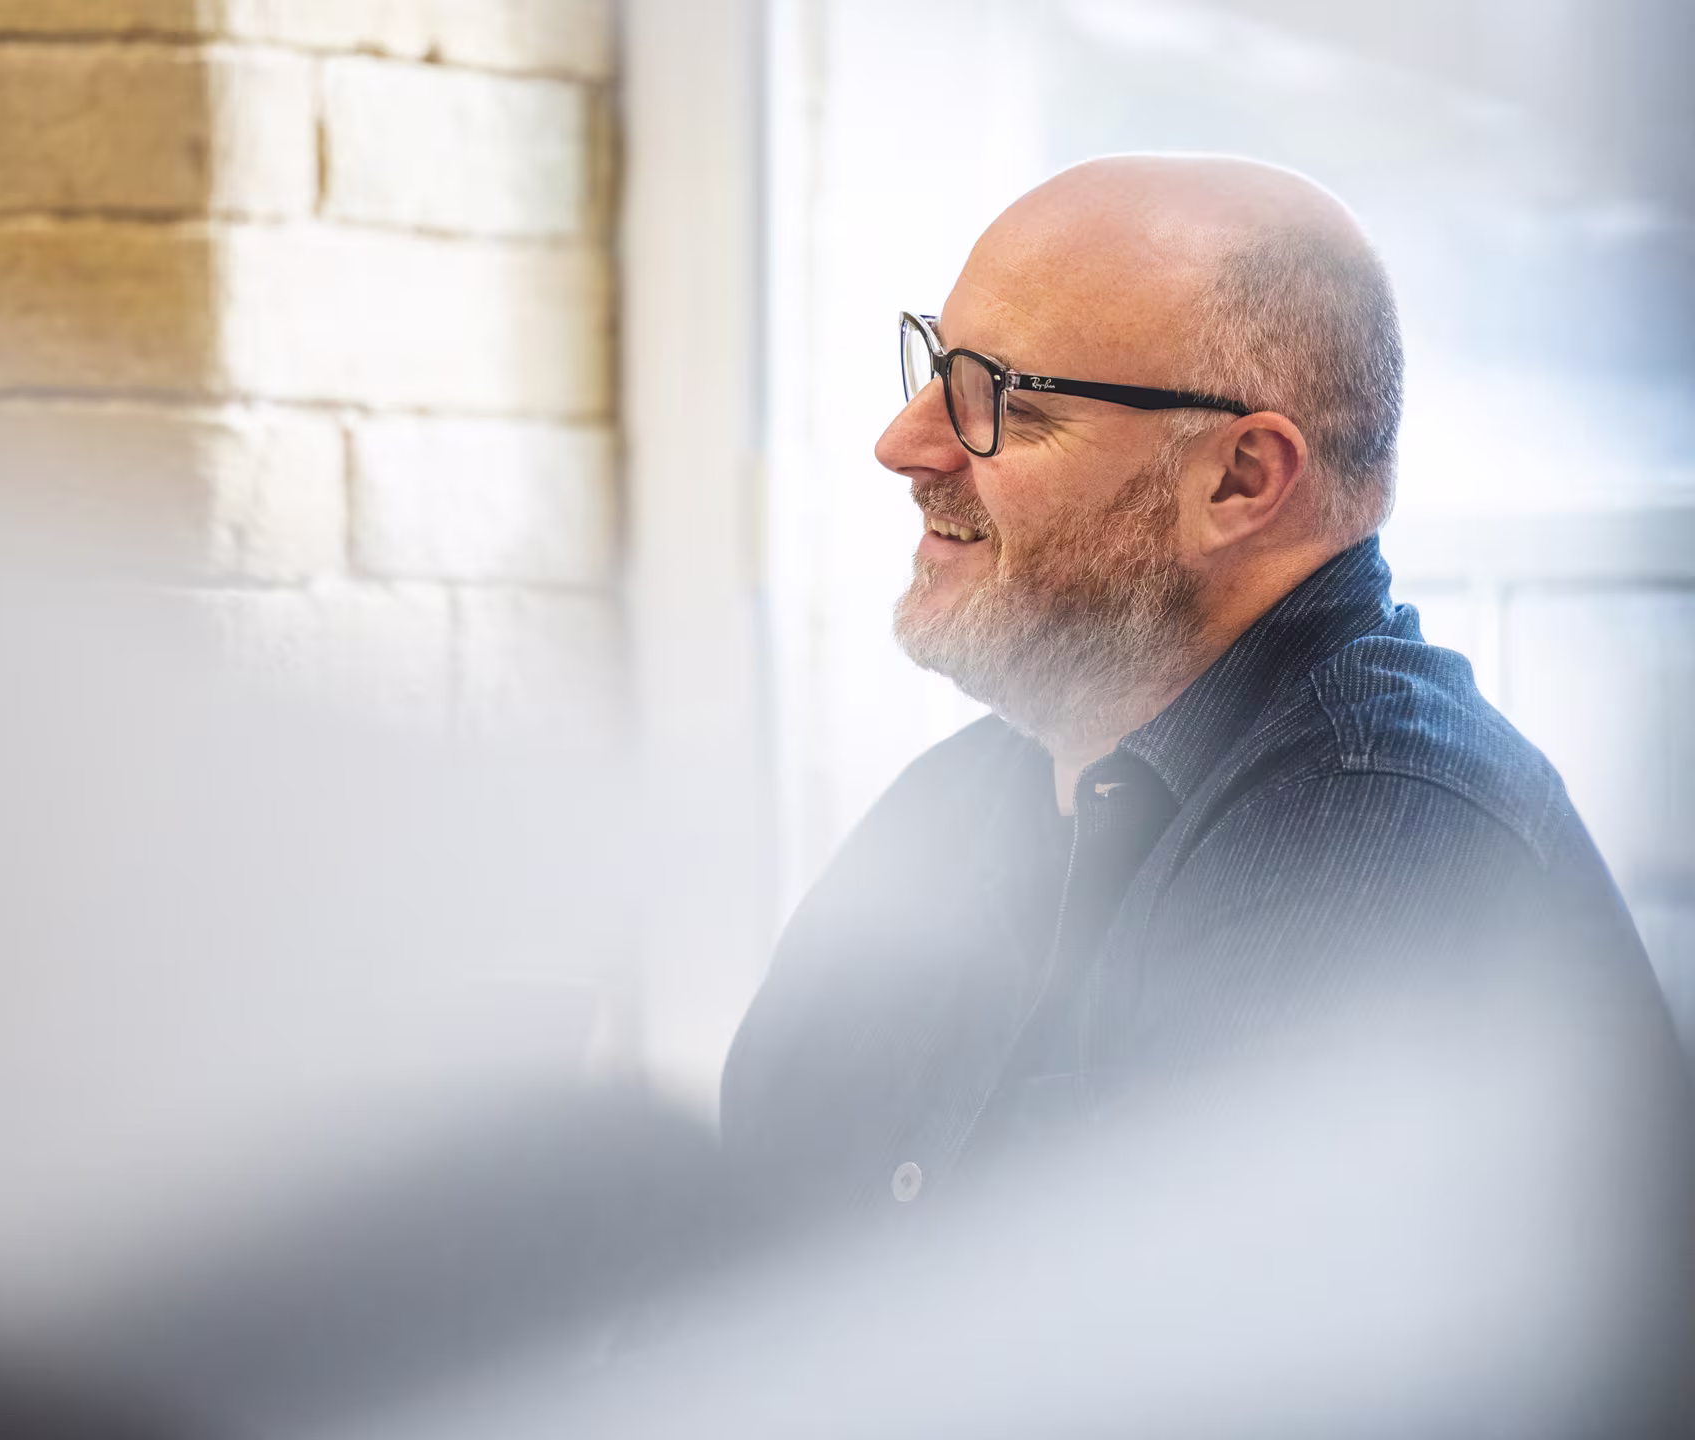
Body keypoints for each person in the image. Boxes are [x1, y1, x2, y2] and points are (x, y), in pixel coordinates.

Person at [721, 156, 1691, 1225]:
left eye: (991, 397)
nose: (902, 444)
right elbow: (738, 1237)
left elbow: (1131, 1376)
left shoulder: (1376, 841)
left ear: (1239, 480)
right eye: (934, 366)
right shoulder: (954, 806)